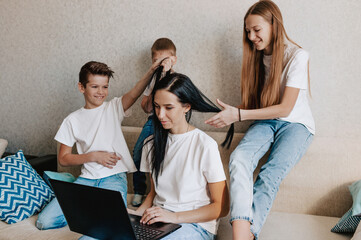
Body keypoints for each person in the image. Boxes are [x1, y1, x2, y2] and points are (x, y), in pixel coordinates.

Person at [205, 1, 315, 239]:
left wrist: (240, 115)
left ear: (274, 25)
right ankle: (242, 233)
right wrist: (231, 112)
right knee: (239, 158)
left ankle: (246, 234)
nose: (251, 36)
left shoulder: (297, 56)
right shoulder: (256, 58)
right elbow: (258, 105)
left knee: (270, 173)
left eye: (256, 29)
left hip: (296, 125)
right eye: (247, 31)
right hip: (266, 122)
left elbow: (285, 108)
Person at [35, 60, 172, 239]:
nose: (101, 92)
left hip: (113, 180)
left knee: (109, 227)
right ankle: (93, 211)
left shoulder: (113, 107)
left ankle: (97, 214)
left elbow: (136, 91)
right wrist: (93, 156)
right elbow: (63, 159)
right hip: (86, 181)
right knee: (43, 222)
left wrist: (151, 70)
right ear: (81, 87)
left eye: (105, 87)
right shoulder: (72, 120)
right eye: (95, 86)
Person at [129, 73, 230, 240]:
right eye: (156, 106)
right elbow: (154, 193)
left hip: (195, 225)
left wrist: (173, 217)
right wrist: (135, 215)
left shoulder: (205, 145)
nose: (160, 115)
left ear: (186, 107)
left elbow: (222, 207)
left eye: (168, 108)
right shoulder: (151, 144)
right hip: (158, 221)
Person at [131, 38, 177, 207]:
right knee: (138, 152)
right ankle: (139, 190)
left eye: (165, 60)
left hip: (173, 122)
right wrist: (156, 81)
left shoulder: (178, 80)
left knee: (166, 157)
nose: (161, 64)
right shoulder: (152, 80)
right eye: (157, 61)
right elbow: (146, 107)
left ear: (174, 60)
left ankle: (162, 194)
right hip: (153, 120)